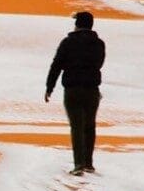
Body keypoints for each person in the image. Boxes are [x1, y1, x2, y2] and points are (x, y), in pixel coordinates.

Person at [45, 10, 106, 175]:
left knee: (77, 127)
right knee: (90, 126)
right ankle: (88, 163)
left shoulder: (68, 42)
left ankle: (78, 164)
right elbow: (99, 63)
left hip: (72, 89)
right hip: (92, 90)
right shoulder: (99, 44)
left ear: (78, 24)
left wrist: (49, 87)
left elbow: (56, 65)